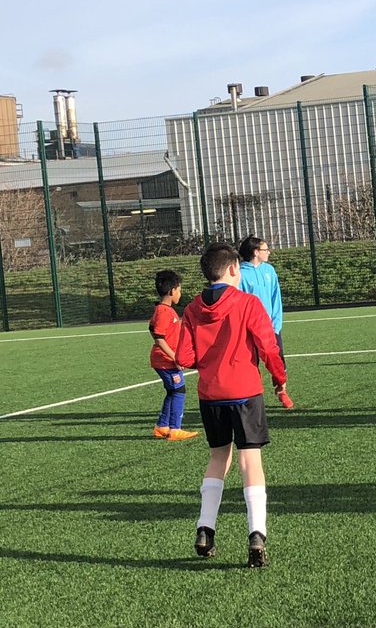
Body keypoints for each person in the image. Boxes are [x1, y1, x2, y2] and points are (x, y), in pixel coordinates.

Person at [176, 243, 291, 568]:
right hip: (245, 392)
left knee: (217, 458)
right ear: (232, 270)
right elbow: (268, 347)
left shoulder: (193, 309)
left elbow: (185, 358)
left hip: (210, 395)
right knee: (249, 460)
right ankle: (256, 535)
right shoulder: (248, 303)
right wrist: (279, 379)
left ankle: (205, 529)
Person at [239, 235, 292, 409]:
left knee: (278, 361)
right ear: (255, 252)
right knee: (251, 363)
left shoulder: (269, 270)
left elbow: (276, 298)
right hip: (250, 329)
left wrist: (276, 324)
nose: (268, 252)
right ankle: (253, 395)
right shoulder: (240, 275)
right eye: (265, 249)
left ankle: (282, 391)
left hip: (271, 327)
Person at [148, 270, 198, 441]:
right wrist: (175, 357)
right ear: (172, 291)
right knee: (179, 391)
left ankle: (162, 426)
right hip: (165, 362)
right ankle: (175, 429)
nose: (180, 293)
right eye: (179, 290)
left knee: (172, 391)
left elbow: (152, 330)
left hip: (163, 360)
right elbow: (159, 338)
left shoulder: (162, 309)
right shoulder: (164, 312)